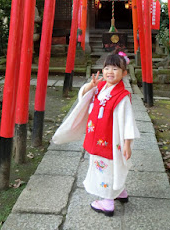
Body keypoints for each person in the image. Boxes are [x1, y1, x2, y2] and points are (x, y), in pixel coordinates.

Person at [52, 51, 140, 217]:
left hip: (111, 139)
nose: (110, 72)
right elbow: (83, 97)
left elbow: (128, 122)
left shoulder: (122, 96)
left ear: (124, 73)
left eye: (115, 69)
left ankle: (107, 201)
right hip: (97, 135)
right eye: (107, 68)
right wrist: (90, 86)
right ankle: (119, 191)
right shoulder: (101, 87)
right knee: (110, 166)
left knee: (105, 167)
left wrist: (127, 144)